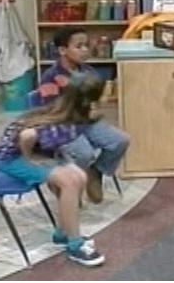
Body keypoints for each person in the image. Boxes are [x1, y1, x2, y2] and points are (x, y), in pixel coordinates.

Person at [0, 73, 106, 267]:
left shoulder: (70, 111)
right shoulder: (62, 122)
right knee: (69, 182)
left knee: (79, 176)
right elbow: (27, 136)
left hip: (40, 153)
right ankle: (75, 245)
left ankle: (62, 234)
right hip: (13, 158)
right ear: (89, 101)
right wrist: (30, 160)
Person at [39, 26, 130, 204]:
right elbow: (50, 110)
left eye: (86, 45)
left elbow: (94, 98)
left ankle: (96, 172)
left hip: (85, 122)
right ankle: (65, 182)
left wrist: (95, 104)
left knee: (120, 141)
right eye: (78, 46)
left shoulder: (88, 71)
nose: (85, 50)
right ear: (62, 50)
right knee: (84, 153)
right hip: (63, 125)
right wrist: (77, 110)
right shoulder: (51, 76)